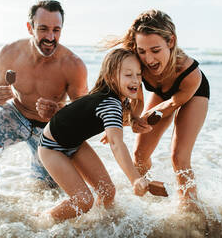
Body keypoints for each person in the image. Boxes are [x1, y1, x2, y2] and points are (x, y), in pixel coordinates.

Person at [0, 0, 88, 202]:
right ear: (30, 28)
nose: (50, 37)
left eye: (56, 30)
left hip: (50, 129)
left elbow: (84, 114)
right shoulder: (10, 53)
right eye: (43, 29)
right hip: (16, 113)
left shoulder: (73, 65)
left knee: (46, 194)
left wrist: (59, 111)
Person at [106, 9, 210, 204]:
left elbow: (172, 104)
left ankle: (191, 209)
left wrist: (143, 119)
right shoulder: (137, 62)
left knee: (179, 157)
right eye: (142, 51)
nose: (149, 60)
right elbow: (134, 101)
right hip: (162, 93)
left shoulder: (190, 72)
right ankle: (149, 203)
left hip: (192, 94)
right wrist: (124, 121)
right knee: (139, 156)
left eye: (155, 50)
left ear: (170, 41)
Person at [38, 48, 149, 223]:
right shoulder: (110, 103)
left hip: (75, 142)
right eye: (128, 75)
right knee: (83, 201)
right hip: (52, 147)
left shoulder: (119, 97)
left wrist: (134, 119)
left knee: (107, 192)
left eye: (139, 74)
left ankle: (97, 226)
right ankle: (43, 220)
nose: (136, 80)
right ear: (111, 77)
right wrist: (135, 178)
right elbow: (116, 144)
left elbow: (133, 107)